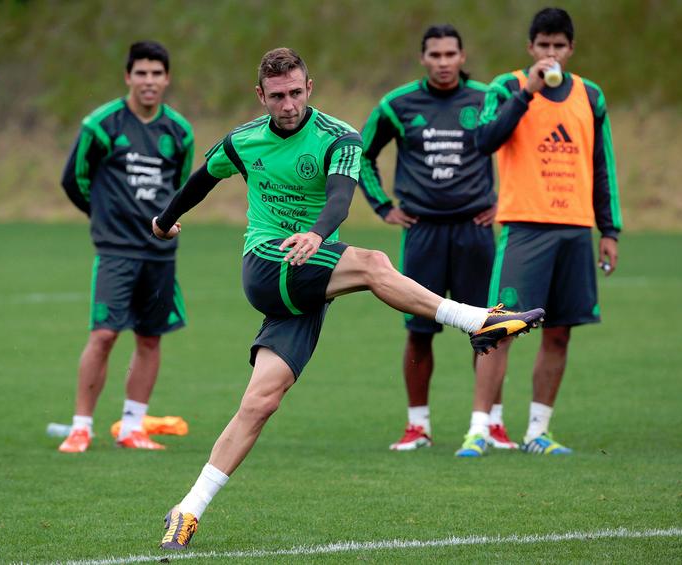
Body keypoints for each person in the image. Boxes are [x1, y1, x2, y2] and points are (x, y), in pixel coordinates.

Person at [152, 47, 544, 550]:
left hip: (307, 275)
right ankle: (476, 321)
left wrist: (317, 234)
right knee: (374, 263)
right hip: (267, 264)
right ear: (261, 96)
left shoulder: (339, 137)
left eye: (296, 93)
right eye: (277, 96)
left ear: (309, 88)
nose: (288, 104)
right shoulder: (243, 140)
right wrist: (164, 222)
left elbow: (340, 197)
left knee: (260, 402)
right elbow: (200, 180)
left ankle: (188, 509)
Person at [469, 7, 622, 456]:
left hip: (575, 229)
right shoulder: (506, 86)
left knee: (559, 333)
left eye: (558, 46)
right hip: (524, 227)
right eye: (543, 45)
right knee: (500, 328)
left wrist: (609, 230)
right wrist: (527, 94)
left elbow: (602, 166)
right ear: (530, 47)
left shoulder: (591, 95)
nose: (550, 53)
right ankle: (479, 429)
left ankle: (538, 432)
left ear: (570, 49)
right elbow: (484, 140)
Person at [358, 25, 518, 453]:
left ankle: (492, 424)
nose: (443, 62)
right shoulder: (397, 105)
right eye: (435, 55)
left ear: (462, 57)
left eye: (450, 54)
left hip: (475, 231)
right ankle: (418, 426)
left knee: (489, 329)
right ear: (423, 58)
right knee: (419, 331)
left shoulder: (488, 99)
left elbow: (520, 149)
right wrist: (383, 207)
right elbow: (362, 155)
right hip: (422, 232)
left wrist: (505, 202)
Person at [58, 40, 193, 453]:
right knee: (103, 335)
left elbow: (180, 190)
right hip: (116, 250)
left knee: (150, 338)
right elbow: (74, 180)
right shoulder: (101, 125)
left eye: (157, 73)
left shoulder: (180, 132)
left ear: (167, 79)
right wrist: (102, 216)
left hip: (160, 251)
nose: (149, 81)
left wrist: (165, 224)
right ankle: (81, 427)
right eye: (141, 73)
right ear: (128, 77)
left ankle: (133, 427)